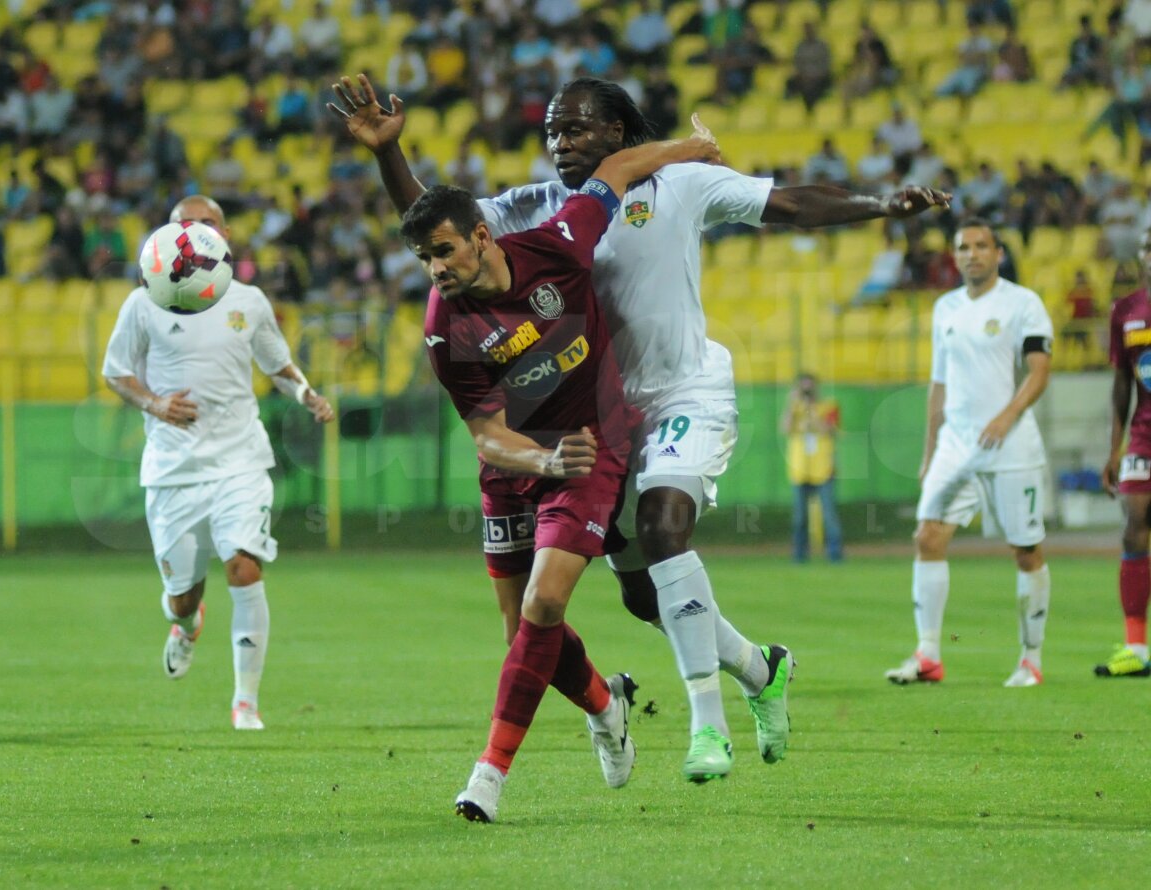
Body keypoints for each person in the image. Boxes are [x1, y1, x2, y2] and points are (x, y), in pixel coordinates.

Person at [328, 72, 949, 782]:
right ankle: (761, 668)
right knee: (641, 595)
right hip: (607, 419)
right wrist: (388, 153)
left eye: (578, 129)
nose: (561, 143)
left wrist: (880, 207)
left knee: (663, 528)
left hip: (687, 388)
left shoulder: (681, 184)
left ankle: (706, 726)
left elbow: (789, 204)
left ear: (618, 134)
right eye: (553, 132)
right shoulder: (537, 207)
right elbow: (437, 228)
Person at [401, 129, 721, 822]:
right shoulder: (444, 328)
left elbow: (616, 166)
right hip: (519, 464)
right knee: (523, 626)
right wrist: (541, 459)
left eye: (445, 250)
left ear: (483, 238)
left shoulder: (559, 242)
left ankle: (488, 774)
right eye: (424, 257)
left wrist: (691, 145)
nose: (436, 268)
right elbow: (487, 435)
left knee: (546, 606)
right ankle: (606, 706)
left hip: (592, 449)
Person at [101, 194, 334, 730]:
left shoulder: (248, 300)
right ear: (166, 238)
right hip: (173, 468)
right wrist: (156, 404)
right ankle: (185, 625)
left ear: (224, 235)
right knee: (182, 597)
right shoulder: (142, 303)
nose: (197, 232)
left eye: (207, 224)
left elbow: (279, 365)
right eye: (186, 225)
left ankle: (245, 702)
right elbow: (117, 373)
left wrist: (307, 396)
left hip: (240, 461)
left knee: (243, 566)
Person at [885, 218, 1053, 688]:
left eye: (981, 246)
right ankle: (929, 655)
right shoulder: (946, 309)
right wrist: (929, 448)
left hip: (1010, 444)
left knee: (1025, 550)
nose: (972, 253)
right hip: (955, 446)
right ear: (954, 256)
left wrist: (1006, 416)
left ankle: (1031, 659)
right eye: (963, 247)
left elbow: (1039, 371)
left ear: (998, 253)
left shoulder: (1023, 303)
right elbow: (938, 384)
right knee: (928, 538)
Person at [1097, 227, 1151, 678]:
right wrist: (1113, 448)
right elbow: (1121, 384)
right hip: (1144, 435)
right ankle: (1137, 647)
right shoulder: (1127, 310)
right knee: (1134, 528)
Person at [781, 372, 843, 562]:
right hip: (799, 469)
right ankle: (800, 555)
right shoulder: (794, 408)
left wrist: (811, 412)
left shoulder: (829, 406)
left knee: (829, 515)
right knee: (800, 517)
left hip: (823, 469)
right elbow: (785, 428)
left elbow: (830, 430)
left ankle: (835, 554)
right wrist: (792, 405)